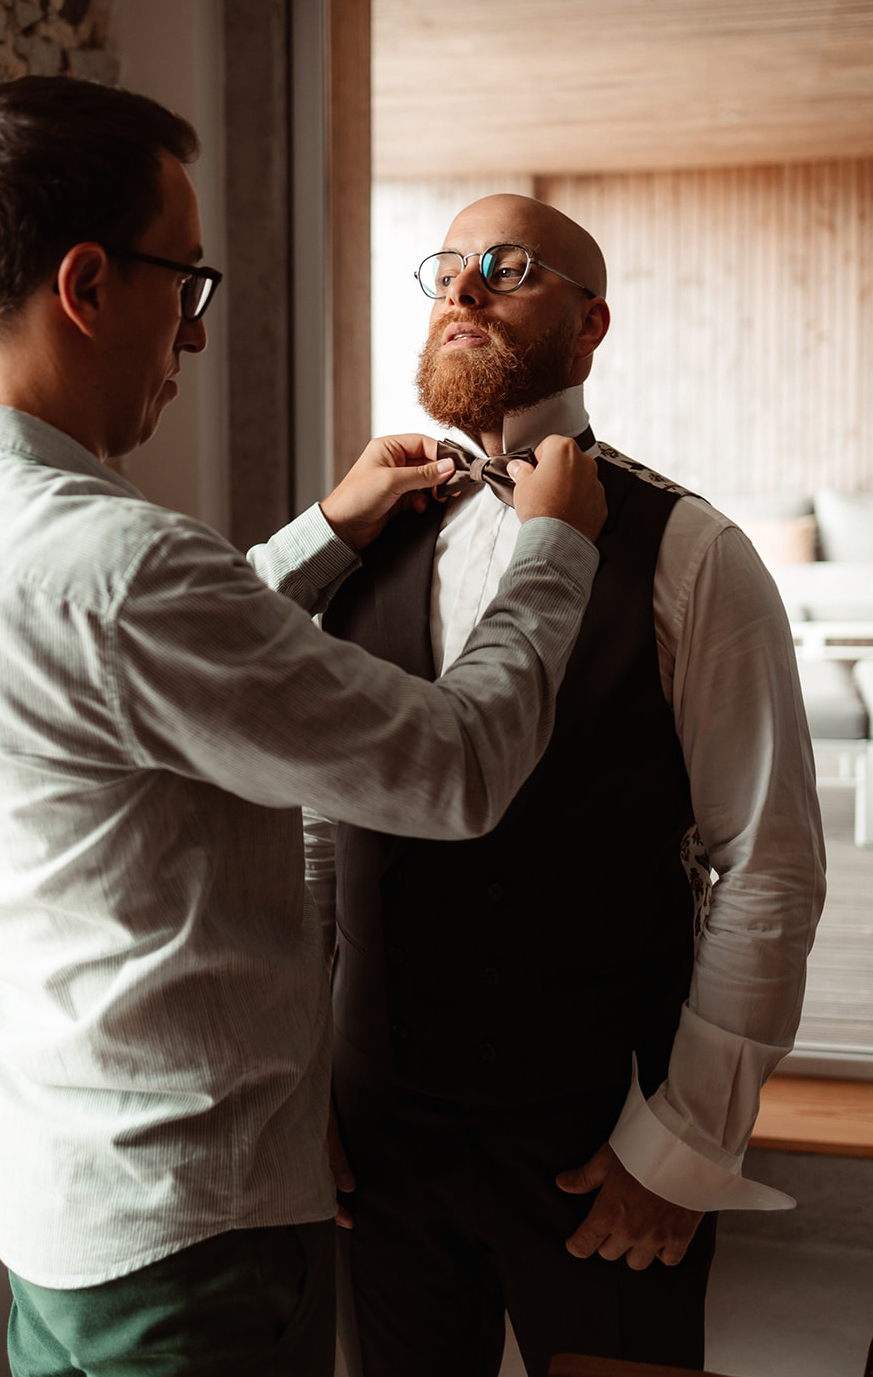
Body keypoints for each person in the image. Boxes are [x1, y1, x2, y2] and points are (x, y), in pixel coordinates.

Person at [0, 81, 608, 1377]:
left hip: (56, 1195)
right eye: (184, 286)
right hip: (188, 1248)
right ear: (89, 284)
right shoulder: (121, 565)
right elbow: (457, 764)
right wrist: (551, 550)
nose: (192, 337)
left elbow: (137, 677)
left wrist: (323, 530)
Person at [311, 193, 827, 1377]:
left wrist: (684, 1141)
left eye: (506, 265)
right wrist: (307, 1075)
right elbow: (310, 827)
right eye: (445, 268)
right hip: (378, 1134)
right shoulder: (358, 531)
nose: (462, 287)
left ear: (590, 326)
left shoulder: (694, 554)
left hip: (600, 1132)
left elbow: (767, 862)